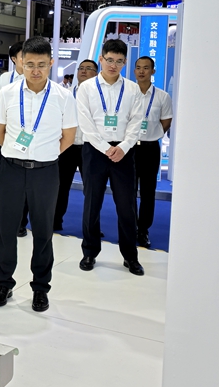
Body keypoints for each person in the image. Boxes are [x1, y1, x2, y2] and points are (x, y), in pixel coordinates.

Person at [0, 37, 77, 312]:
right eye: (29, 64)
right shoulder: (7, 93)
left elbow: (68, 136)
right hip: (11, 170)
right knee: (7, 230)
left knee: (43, 231)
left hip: (45, 172)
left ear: (51, 63)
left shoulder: (63, 96)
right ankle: (4, 283)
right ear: (20, 63)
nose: (35, 70)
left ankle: (40, 287)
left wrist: (44, 154)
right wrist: (18, 153)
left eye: (41, 64)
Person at [75, 39, 145, 276]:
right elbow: (85, 122)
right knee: (91, 203)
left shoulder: (133, 89)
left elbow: (136, 121)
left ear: (125, 62)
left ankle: (130, 256)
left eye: (119, 61)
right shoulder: (87, 88)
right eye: (109, 60)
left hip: (124, 152)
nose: (113, 65)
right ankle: (89, 252)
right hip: (95, 151)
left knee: (126, 206)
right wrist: (105, 148)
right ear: (101, 59)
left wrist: (123, 147)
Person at [0, 40, 29, 236]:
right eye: (23, 56)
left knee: (23, 182)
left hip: (24, 138)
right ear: (14, 59)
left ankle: (20, 222)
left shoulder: (36, 79)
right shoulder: (5, 79)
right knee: (0, 179)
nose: (27, 59)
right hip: (2, 137)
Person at [54, 59, 99, 231]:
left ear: (96, 73)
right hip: (68, 146)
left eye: (89, 68)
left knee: (92, 189)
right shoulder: (65, 93)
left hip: (90, 147)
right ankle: (55, 221)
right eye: (81, 68)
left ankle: (92, 227)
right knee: (60, 186)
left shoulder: (100, 96)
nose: (84, 71)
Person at [133, 56, 173, 248]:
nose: (141, 71)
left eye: (146, 68)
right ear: (134, 71)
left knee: (148, 192)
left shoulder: (162, 96)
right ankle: (129, 227)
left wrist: (153, 134)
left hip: (150, 148)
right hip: (130, 148)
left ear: (153, 71)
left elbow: (166, 121)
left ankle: (143, 230)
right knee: (127, 191)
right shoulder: (128, 94)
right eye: (138, 67)